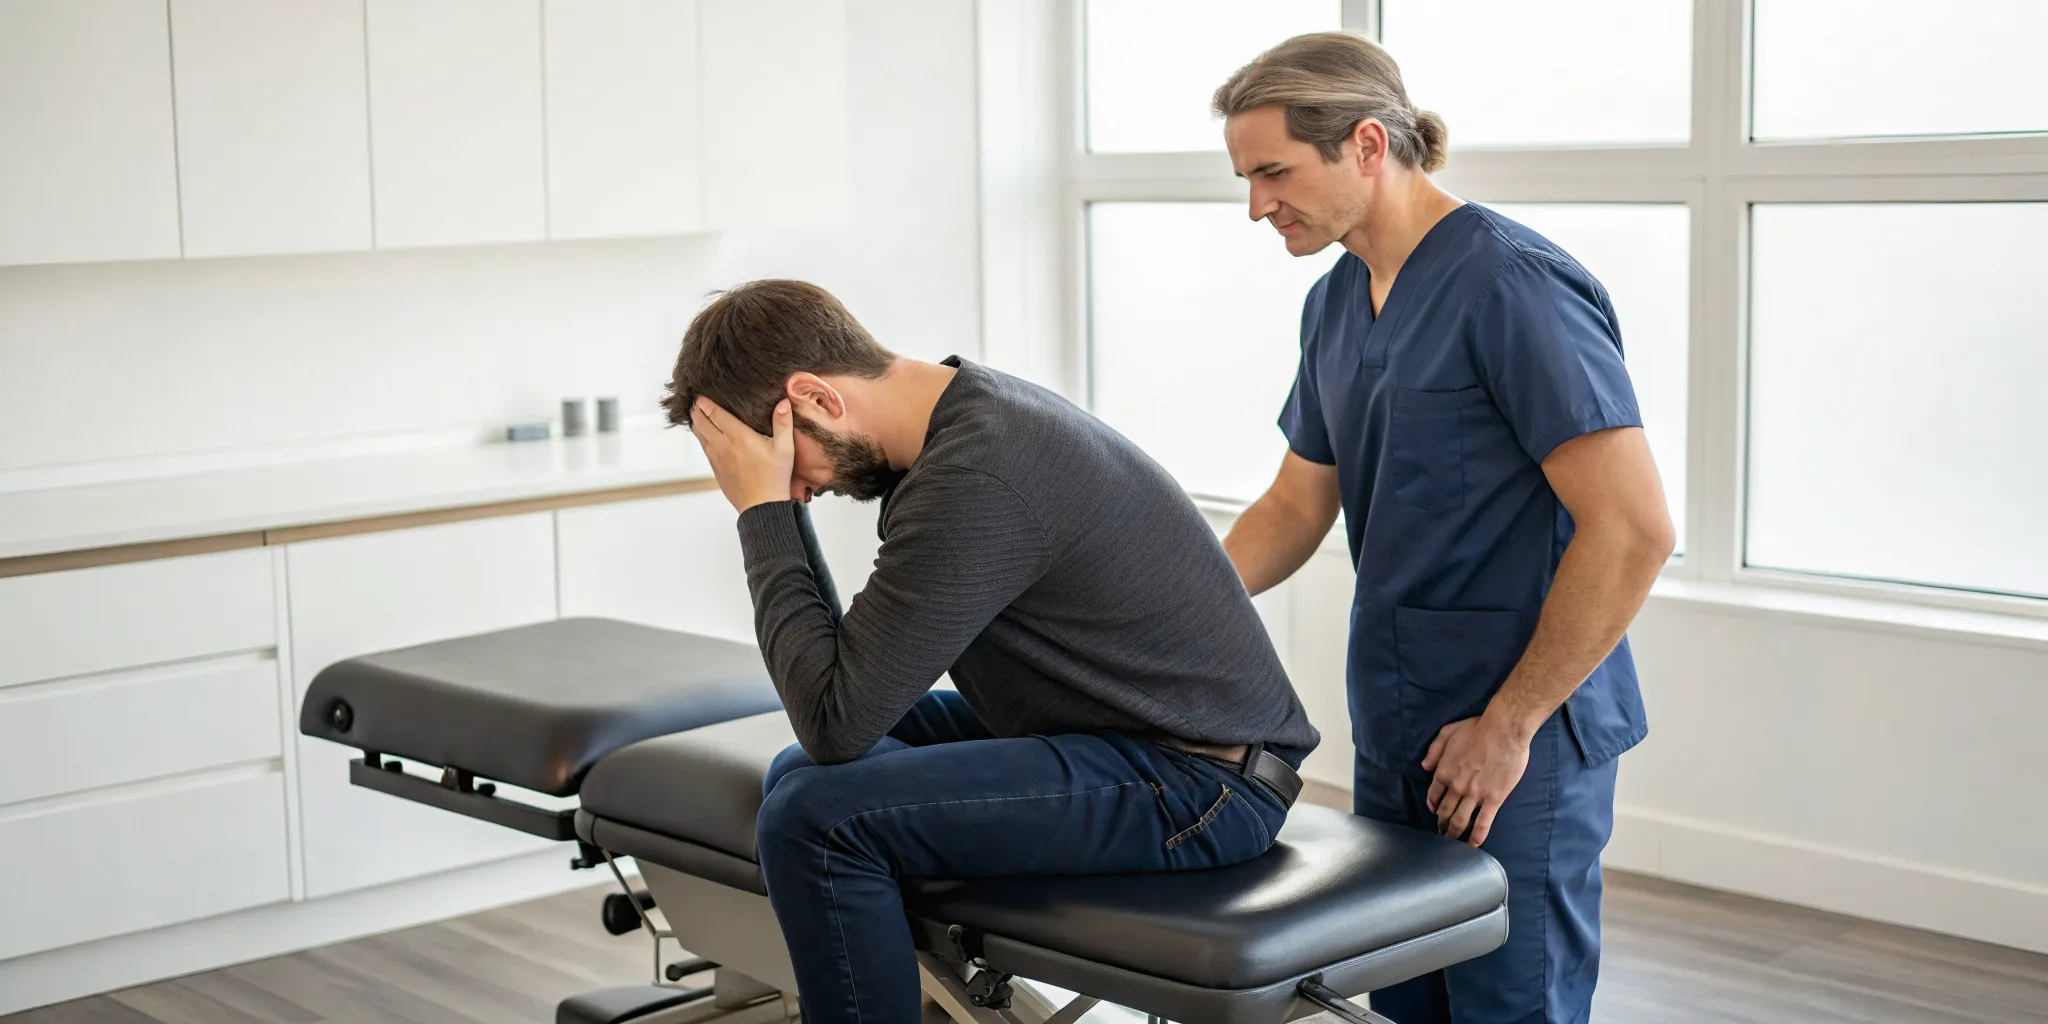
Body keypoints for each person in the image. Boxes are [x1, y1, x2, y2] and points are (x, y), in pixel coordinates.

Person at [662, 279, 1320, 1024]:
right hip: (1117, 734)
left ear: (815, 397)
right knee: (801, 775)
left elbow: (835, 717)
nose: (802, 493)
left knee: (817, 819)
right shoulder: (966, 416)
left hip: (1202, 785)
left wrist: (763, 514)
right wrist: (774, 505)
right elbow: (838, 712)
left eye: (789, 466)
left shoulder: (978, 473)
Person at [1211, 32, 1676, 1024]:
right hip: (1398, 720)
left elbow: (1632, 528)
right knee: (1403, 1001)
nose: (1256, 204)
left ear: (1367, 146)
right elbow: (1297, 504)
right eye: (1246, 178)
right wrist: (1161, 598)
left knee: (1511, 1002)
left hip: (1517, 732)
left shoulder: (1512, 286)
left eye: (1272, 172)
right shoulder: (1335, 300)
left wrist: (1507, 726)